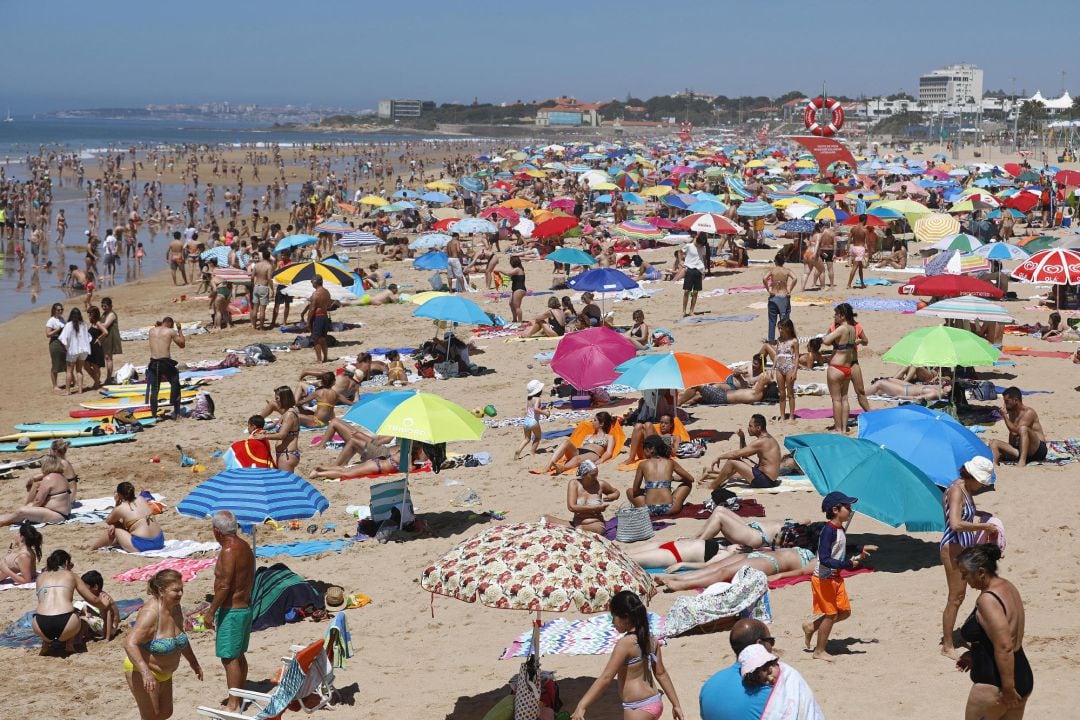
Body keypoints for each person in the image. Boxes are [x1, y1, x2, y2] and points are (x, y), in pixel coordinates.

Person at [571, 590, 684, 720]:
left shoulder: (625, 644)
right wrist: (676, 705)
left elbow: (606, 678)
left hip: (638, 707)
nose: (613, 622)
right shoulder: (651, 639)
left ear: (625, 617)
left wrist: (582, 705)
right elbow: (661, 674)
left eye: (613, 616)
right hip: (655, 701)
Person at [955, 544, 1033, 719]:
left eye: (965, 574)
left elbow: (1004, 646)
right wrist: (974, 654)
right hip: (1022, 674)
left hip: (995, 684)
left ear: (981, 572)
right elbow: (1007, 637)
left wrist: (1008, 688)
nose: (963, 579)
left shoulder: (987, 600)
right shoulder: (1008, 587)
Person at [699, 618, 824, 720]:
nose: (772, 645)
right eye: (771, 641)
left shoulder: (708, 686)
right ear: (759, 644)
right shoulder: (782, 681)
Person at [803, 492, 875, 661]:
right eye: (847, 507)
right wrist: (847, 565)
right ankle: (819, 651)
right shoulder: (828, 531)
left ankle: (811, 626)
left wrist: (860, 547)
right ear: (835, 510)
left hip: (835, 578)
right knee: (831, 615)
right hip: (823, 579)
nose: (850, 511)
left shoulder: (839, 529)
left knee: (844, 613)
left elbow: (841, 546)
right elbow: (825, 559)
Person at [941, 457, 999, 660]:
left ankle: (972, 632)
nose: (981, 485)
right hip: (954, 548)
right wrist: (984, 527)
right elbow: (956, 524)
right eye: (981, 482)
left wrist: (981, 514)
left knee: (974, 590)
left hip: (964, 547)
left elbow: (961, 515)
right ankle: (947, 645)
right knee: (955, 597)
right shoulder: (957, 489)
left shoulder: (965, 488)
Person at [126, 569, 203, 720]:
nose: (180, 594)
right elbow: (129, 643)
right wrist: (145, 672)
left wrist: (194, 663)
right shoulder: (151, 613)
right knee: (152, 717)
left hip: (166, 673)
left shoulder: (175, 607)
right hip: (145, 671)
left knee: (165, 713)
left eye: (182, 589)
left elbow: (181, 638)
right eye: (176, 590)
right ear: (161, 591)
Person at [202, 510, 255, 714]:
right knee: (238, 655)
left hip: (232, 611)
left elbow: (224, 585)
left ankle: (234, 704)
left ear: (217, 530)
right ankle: (238, 696)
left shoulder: (229, 551)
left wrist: (210, 612)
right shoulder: (245, 547)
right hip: (244, 608)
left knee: (229, 658)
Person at [655, 545, 819, 592]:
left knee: (723, 572)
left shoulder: (820, 561)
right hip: (761, 555)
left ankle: (682, 584)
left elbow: (802, 572)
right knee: (716, 566)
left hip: (771, 564)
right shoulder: (815, 550)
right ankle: (678, 578)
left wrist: (780, 576)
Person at [32, 549, 104, 655]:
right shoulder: (71, 575)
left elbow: (41, 602)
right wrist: (104, 604)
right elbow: (92, 599)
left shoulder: (40, 577)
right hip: (66, 625)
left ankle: (46, 643)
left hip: (39, 625)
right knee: (77, 613)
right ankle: (69, 645)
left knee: (45, 609)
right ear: (66, 563)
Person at [542, 460, 620, 535]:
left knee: (580, 529)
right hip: (577, 523)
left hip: (596, 523)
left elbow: (616, 492)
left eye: (596, 474)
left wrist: (613, 496)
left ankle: (575, 530)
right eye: (592, 475)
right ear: (584, 475)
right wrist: (595, 508)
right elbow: (571, 507)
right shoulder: (574, 484)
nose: (595, 477)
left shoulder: (600, 484)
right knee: (545, 519)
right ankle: (574, 529)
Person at [704, 414, 781, 490]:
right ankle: (711, 475)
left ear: (758, 428)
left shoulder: (762, 442)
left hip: (766, 481)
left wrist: (719, 457)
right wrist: (742, 438)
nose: (748, 428)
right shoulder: (767, 438)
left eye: (750, 426)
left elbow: (735, 454)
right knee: (737, 465)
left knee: (732, 462)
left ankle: (712, 485)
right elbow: (743, 455)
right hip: (767, 477)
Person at [628, 435, 694, 517]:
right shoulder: (670, 462)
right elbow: (690, 479)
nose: (643, 452)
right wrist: (673, 479)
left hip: (649, 510)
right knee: (688, 484)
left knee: (629, 491)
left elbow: (635, 491)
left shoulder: (642, 464)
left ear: (651, 449)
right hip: (670, 509)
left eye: (644, 449)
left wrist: (648, 490)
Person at [93, 482, 166, 553]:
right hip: (159, 541)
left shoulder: (120, 508)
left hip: (142, 545)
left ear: (119, 495)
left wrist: (117, 503)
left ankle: (93, 549)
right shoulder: (141, 499)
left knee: (115, 529)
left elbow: (109, 520)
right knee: (125, 525)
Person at [0, 456, 73, 526]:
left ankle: (3, 522)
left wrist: (30, 510)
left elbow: (38, 501)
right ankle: (5, 518)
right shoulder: (61, 476)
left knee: (22, 511)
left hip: (57, 515)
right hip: (64, 513)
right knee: (23, 510)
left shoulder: (48, 478)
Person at [543, 411, 617, 474]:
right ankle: (548, 466)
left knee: (577, 458)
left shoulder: (609, 437)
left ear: (601, 424)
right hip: (579, 451)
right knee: (566, 442)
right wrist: (565, 456)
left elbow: (609, 453)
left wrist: (601, 460)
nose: (592, 422)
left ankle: (563, 468)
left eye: (595, 420)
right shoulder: (588, 435)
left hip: (593, 454)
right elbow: (580, 446)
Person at [989, 387, 1047, 466]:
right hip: (1021, 449)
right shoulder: (1012, 412)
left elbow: (1015, 431)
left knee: (1023, 429)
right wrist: (1010, 448)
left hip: (1037, 450)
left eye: (1006, 402)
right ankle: (994, 465)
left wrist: (1005, 416)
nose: (1004, 405)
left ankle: (1022, 462)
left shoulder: (1029, 412)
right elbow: (1012, 433)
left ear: (1015, 400)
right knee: (993, 443)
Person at [823, 303, 857, 433]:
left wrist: (827, 334)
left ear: (842, 316)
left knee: (836, 400)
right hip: (847, 367)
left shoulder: (842, 329)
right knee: (844, 398)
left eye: (836, 314)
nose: (834, 316)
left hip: (836, 367)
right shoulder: (853, 328)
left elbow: (826, 341)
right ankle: (844, 427)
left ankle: (838, 428)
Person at [147, 317, 186, 418]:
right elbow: (182, 344)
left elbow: (157, 328)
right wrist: (179, 329)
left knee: (154, 389)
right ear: (170, 324)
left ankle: (154, 415)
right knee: (175, 384)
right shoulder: (170, 331)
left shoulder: (151, 330)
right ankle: (177, 413)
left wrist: (158, 324)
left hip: (154, 362)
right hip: (165, 362)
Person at [763, 318, 800, 422]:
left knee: (790, 393)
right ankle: (782, 415)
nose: (780, 330)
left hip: (789, 367)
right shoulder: (779, 340)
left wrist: (795, 371)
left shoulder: (794, 341)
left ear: (787, 328)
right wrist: (773, 368)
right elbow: (777, 355)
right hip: (780, 368)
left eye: (781, 328)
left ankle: (792, 416)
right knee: (781, 393)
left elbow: (796, 357)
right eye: (779, 328)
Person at [262, 386, 303, 472]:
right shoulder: (287, 412)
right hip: (285, 454)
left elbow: (282, 435)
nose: (276, 401)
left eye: (277, 398)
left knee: (286, 484)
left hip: (287, 455)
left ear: (284, 398)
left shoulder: (289, 415)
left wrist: (263, 436)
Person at [764, 251, 797, 342]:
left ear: (776, 261)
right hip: (783, 296)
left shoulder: (772, 270)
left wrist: (769, 290)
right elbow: (795, 278)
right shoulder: (787, 271)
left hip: (774, 296)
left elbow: (764, 278)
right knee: (785, 321)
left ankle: (771, 340)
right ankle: (785, 338)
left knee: (772, 321)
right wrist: (790, 290)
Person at [515, 379, 550, 461]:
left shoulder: (529, 398)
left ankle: (518, 450)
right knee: (537, 437)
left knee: (526, 439)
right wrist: (545, 413)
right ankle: (532, 452)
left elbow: (532, 408)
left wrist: (542, 409)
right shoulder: (537, 399)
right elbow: (535, 409)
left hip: (526, 420)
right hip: (533, 421)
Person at [59, 307, 91, 394]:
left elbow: (62, 339)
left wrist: (65, 348)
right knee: (79, 370)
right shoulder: (84, 324)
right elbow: (89, 338)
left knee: (69, 371)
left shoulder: (68, 325)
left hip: (73, 350)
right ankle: (80, 390)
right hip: (83, 350)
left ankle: (68, 391)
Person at [80, 570, 119, 642]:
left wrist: (107, 637)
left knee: (81, 618)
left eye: (85, 587)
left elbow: (109, 616)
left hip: (110, 629)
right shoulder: (97, 595)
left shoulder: (104, 598)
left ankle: (80, 637)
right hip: (105, 625)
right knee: (81, 607)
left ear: (95, 587)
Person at [0, 521, 43, 585]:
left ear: (22, 537)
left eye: (18, 533)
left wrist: (7, 571)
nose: (16, 535)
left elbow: (26, 580)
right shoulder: (25, 551)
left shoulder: (24, 556)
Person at [493, 255, 526, 322]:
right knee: (511, 303)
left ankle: (520, 322)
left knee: (517, 307)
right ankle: (514, 319)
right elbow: (510, 278)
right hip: (515, 289)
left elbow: (508, 273)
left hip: (519, 289)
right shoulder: (516, 270)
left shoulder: (518, 269)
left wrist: (499, 269)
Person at [308, 275, 333, 363]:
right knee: (323, 338)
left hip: (318, 317)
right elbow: (329, 305)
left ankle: (319, 359)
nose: (311, 284)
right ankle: (325, 357)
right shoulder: (327, 292)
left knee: (316, 339)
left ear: (315, 282)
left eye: (312, 282)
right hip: (325, 316)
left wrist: (308, 321)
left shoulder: (315, 294)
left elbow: (312, 309)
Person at [681, 233, 707, 317]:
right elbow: (680, 252)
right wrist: (681, 262)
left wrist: (704, 271)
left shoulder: (703, 248)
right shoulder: (689, 246)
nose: (700, 246)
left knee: (695, 292)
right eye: (700, 244)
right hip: (690, 269)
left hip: (699, 270)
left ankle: (691, 311)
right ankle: (684, 311)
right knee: (686, 291)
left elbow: (703, 258)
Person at [100, 297, 123, 383]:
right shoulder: (104, 314)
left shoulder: (111, 314)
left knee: (108, 358)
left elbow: (105, 325)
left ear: (110, 306)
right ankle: (108, 378)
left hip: (111, 337)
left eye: (105, 306)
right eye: (102, 306)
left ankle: (108, 378)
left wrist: (97, 324)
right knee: (107, 357)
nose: (103, 307)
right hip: (105, 337)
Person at [249, 250, 273, 330]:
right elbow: (269, 278)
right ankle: (261, 327)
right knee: (262, 309)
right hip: (264, 286)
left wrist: (252, 285)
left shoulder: (257, 265)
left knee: (255, 308)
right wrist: (272, 288)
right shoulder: (269, 266)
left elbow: (252, 277)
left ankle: (254, 325)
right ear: (269, 257)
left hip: (256, 286)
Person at [46, 302, 68, 392]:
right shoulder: (51, 320)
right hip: (55, 343)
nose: (60, 311)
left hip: (63, 343)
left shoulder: (62, 319)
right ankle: (55, 385)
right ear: (54, 310)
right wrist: (57, 330)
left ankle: (71, 381)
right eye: (58, 310)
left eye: (61, 309)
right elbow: (47, 334)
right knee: (55, 365)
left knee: (67, 363)